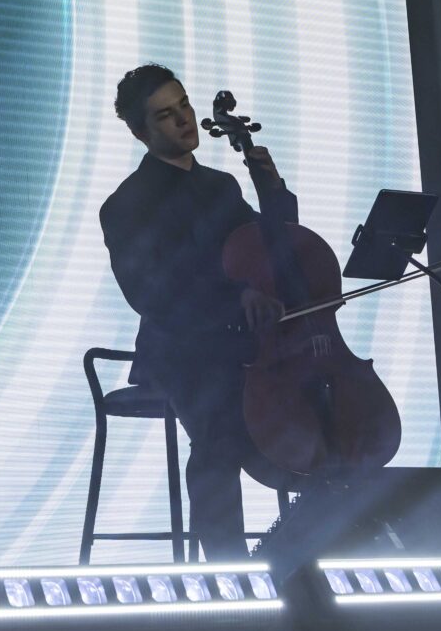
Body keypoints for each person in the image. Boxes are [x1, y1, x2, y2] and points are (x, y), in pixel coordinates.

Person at [98, 63, 294, 560]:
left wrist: (271, 188)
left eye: (184, 104)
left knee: (312, 423)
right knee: (220, 432)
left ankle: (291, 551)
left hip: (241, 344)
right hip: (183, 350)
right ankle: (229, 572)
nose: (185, 119)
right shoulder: (126, 204)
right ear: (141, 132)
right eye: (166, 115)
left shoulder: (221, 189)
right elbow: (152, 294)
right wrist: (236, 298)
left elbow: (274, 251)